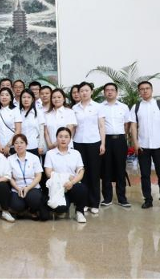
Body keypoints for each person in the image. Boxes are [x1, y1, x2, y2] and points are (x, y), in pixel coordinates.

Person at [129, 81, 160, 210]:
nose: (145, 91)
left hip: (158, 146)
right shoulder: (136, 107)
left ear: (151, 90)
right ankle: (148, 200)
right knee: (144, 175)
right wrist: (135, 143)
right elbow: (133, 126)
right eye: (142, 89)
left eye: (147, 88)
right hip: (143, 146)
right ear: (139, 92)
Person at [72, 81, 106, 214]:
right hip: (78, 143)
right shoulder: (75, 108)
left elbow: (101, 126)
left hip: (94, 142)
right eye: (81, 91)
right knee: (82, 173)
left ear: (91, 92)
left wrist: (103, 143)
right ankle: (84, 202)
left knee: (94, 173)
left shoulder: (98, 107)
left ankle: (94, 202)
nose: (84, 93)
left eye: (86, 90)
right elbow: (73, 128)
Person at [44, 127, 88, 223]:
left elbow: (81, 171)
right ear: (56, 138)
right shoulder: (50, 154)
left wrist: (72, 182)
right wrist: (67, 177)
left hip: (72, 184)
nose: (63, 139)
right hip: (57, 186)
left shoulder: (76, 153)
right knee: (61, 209)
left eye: (66, 137)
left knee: (82, 188)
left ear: (70, 139)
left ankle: (79, 212)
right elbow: (48, 173)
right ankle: (63, 207)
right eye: (60, 136)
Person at [100, 82, 131, 208]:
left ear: (116, 92)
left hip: (120, 140)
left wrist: (124, 136)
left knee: (120, 169)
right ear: (104, 92)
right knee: (106, 169)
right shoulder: (100, 107)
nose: (110, 92)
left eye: (112, 90)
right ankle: (107, 198)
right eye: (107, 90)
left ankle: (122, 198)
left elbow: (127, 124)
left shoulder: (123, 107)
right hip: (106, 140)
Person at [7, 134, 47, 220]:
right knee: (16, 205)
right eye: (16, 143)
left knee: (34, 199)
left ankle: (32, 210)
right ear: (13, 146)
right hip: (17, 188)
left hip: (32, 187)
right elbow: (10, 178)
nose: (19, 145)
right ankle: (22, 209)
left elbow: (38, 176)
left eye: (22, 142)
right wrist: (18, 188)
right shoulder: (10, 159)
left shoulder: (34, 158)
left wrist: (28, 188)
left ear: (26, 144)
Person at [0, 87, 22, 155]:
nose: (4, 97)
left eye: (7, 95)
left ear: (11, 98)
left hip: (13, 146)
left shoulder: (15, 110)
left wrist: (8, 145)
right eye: (2, 95)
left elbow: (18, 130)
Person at [19, 89, 45, 156]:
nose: (26, 99)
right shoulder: (17, 113)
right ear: (20, 99)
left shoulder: (38, 112)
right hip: (20, 147)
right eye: (24, 97)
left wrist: (40, 146)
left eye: (29, 97)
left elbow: (41, 131)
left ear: (33, 99)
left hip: (34, 146)